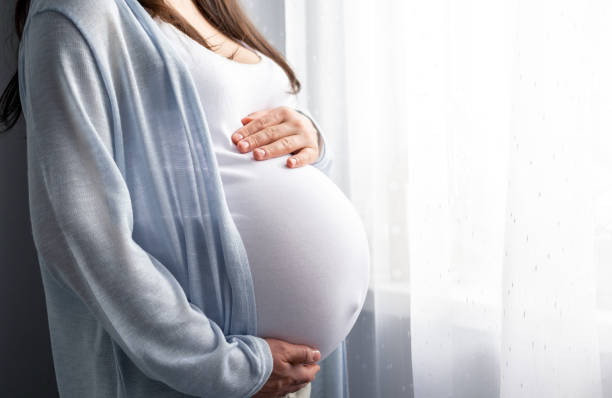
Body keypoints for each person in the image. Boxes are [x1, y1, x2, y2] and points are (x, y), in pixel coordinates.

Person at [1, 0, 367, 397]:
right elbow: (78, 229)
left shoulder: (213, 6)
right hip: (201, 373)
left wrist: (309, 137)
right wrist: (224, 367)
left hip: (280, 373)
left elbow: (236, 139)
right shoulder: (79, 11)